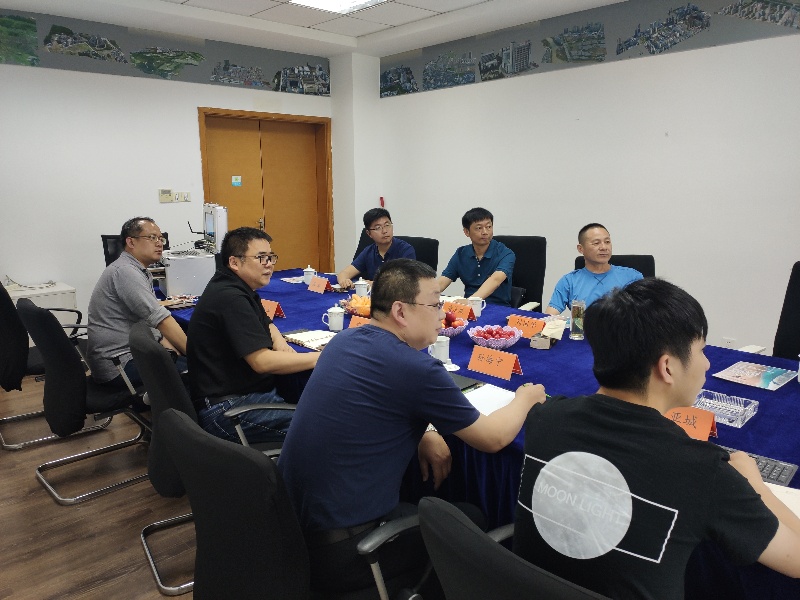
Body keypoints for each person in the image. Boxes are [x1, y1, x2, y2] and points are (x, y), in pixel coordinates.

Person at [514, 278, 800, 599]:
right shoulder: (702, 470)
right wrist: (756, 486)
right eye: (701, 351)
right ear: (667, 367)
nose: (707, 364)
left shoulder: (546, 417)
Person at [278, 258, 544, 594]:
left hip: (289, 533)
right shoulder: (416, 368)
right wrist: (525, 398)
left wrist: (426, 431)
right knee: (470, 518)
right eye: (435, 305)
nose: (443, 315)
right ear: (401, 312)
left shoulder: (345, 340)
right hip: (347, 551)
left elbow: (376, 401)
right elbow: (493, 438)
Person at [187, 227, 319, 444]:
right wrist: (322, 357)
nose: (269, 264)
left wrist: (279, 342)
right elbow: (262, 362)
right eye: (261, 258)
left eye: (271, 257)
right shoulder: (231, 298)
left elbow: (266, 321)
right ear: (234, 262)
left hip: (237, 396)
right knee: (326, 425)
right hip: (229, 410)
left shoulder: (234, 285)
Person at [87, 217, 187, 391]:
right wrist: (195, 356)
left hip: (129, 353)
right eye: (152, 238)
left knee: (186, 361)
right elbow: (160, 320)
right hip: (119, 365)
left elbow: (152, 323)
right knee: (196, 370)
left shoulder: (136, 269)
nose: (159, 243)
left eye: (161, 238)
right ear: (131, 242)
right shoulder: (126, 272)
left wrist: (174, 352)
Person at [544, 222, 642, 314]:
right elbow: (550, 316)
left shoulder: (632, 277)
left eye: (607, 242)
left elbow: (644, 315)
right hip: (583, 327)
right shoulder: (569, 281)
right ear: (580, 249)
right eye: (596, 243)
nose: (604, 247)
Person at [438, 207, 515, 305]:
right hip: (468, 308)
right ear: (466, 232)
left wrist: (470, 301)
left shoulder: (506, 253)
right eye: (479, 228)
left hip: (497, 307)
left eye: (489, 227)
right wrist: (426, 295)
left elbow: (495, 280)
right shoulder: (461, 253)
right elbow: (443, 280)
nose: (485, 232)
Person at [337, 207, 416, 289]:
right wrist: (344, 281)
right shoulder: (368, 251)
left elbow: (407, 281)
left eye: (387, 225)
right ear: (369, 233)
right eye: (378, 228)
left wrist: (375, 284)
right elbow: (345, 273)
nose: (384, 231)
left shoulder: (405, 250)